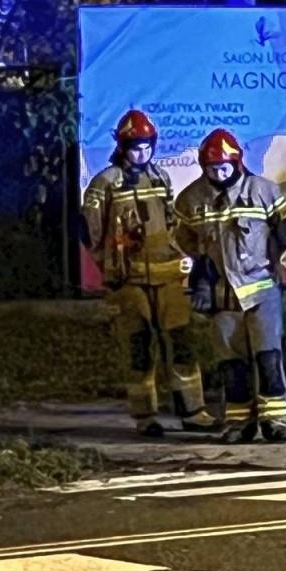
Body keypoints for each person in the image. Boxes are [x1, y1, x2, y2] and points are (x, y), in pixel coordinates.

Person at [80, 109, 218, 437]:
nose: (141, 153)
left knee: (181, 341)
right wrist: (109, 265)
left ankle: (193, 411)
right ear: (123, 147)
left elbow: (172, 225)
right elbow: (90, 230)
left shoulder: (160, 178)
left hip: (167, 275)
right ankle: (145, 416)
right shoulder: (105, 183)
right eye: (134, 147)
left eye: (146, 147)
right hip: (128, 280)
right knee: (138, 346)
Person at [175, 130, 286, 444]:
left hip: (261, 288)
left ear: (237, 163)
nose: (218, 174)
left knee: (268, 356)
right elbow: (186, 239)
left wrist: (273, 254)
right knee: (231, 363)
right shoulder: (191, 199)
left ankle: (275, 421)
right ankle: (240, 422)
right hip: (222, 294)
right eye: (212, 169)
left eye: (224, 168)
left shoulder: (263, 191)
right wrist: (202, 276)